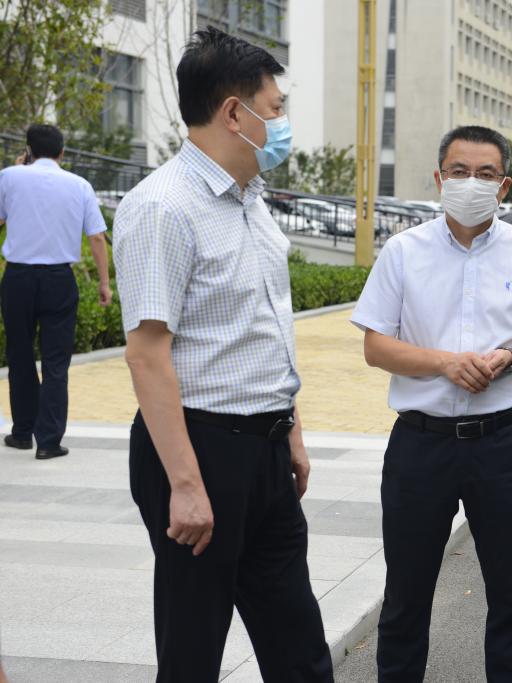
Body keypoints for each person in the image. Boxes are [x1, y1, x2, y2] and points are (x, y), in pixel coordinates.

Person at [112, 27, 332, 682]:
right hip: (200, 450)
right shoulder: (163, 207)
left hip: (266, 450)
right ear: (235, 113)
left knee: (299, 649)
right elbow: (147, 354)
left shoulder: (251, 202)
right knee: (193, 651)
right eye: (276, 107)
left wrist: (290, 431)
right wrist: (185, 484)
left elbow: (263, 328)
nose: (283, 122)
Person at [352, 125, 512, 682]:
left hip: (503, 443)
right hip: (420, 444)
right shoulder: (404, 252)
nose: (470, 183)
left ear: (504, 186)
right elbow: (376, 346)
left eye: (485, 174)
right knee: (406, 595)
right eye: (458, 171)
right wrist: (445, 363)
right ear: (439, 178)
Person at [0, 124, 112, 459]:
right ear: (62, 152)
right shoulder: (79, 185)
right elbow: (96, 236)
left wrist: (17, 174)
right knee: (56, 362)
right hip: (59, 280)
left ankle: (22, 433)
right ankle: (48, 442)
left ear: (28, 150)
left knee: (20, 355)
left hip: (18, 278)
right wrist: (104, 282)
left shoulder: (9, 177)